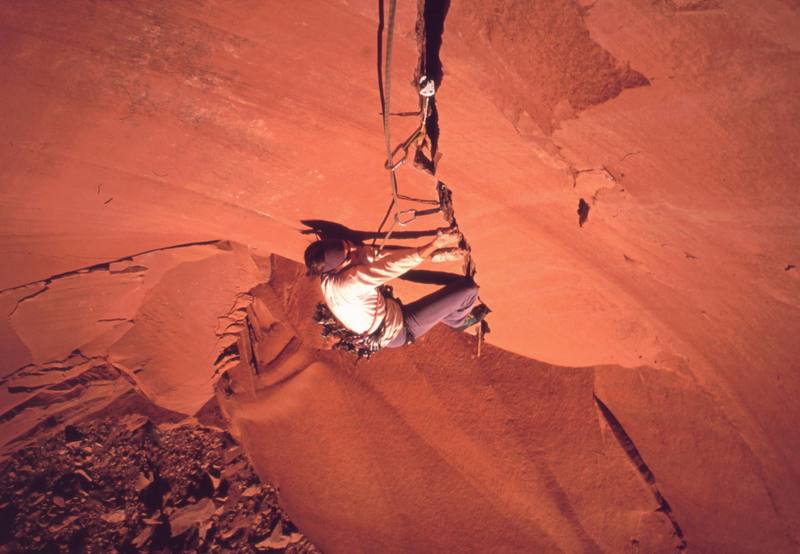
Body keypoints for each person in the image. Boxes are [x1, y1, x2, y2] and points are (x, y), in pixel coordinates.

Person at [304, 229, 486, 351]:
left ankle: (445, 310)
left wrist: (437, 257)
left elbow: (372, 254)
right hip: (400, 329)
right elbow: (391, 265)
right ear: (339, 267)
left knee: (450, 286)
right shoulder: (351, 282)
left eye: (347, 245)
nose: (354, 248)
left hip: (389, 311)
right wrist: (435, 245)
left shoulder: (327, 269)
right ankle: (456, 321)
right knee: (468, 289)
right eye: (350, 253)